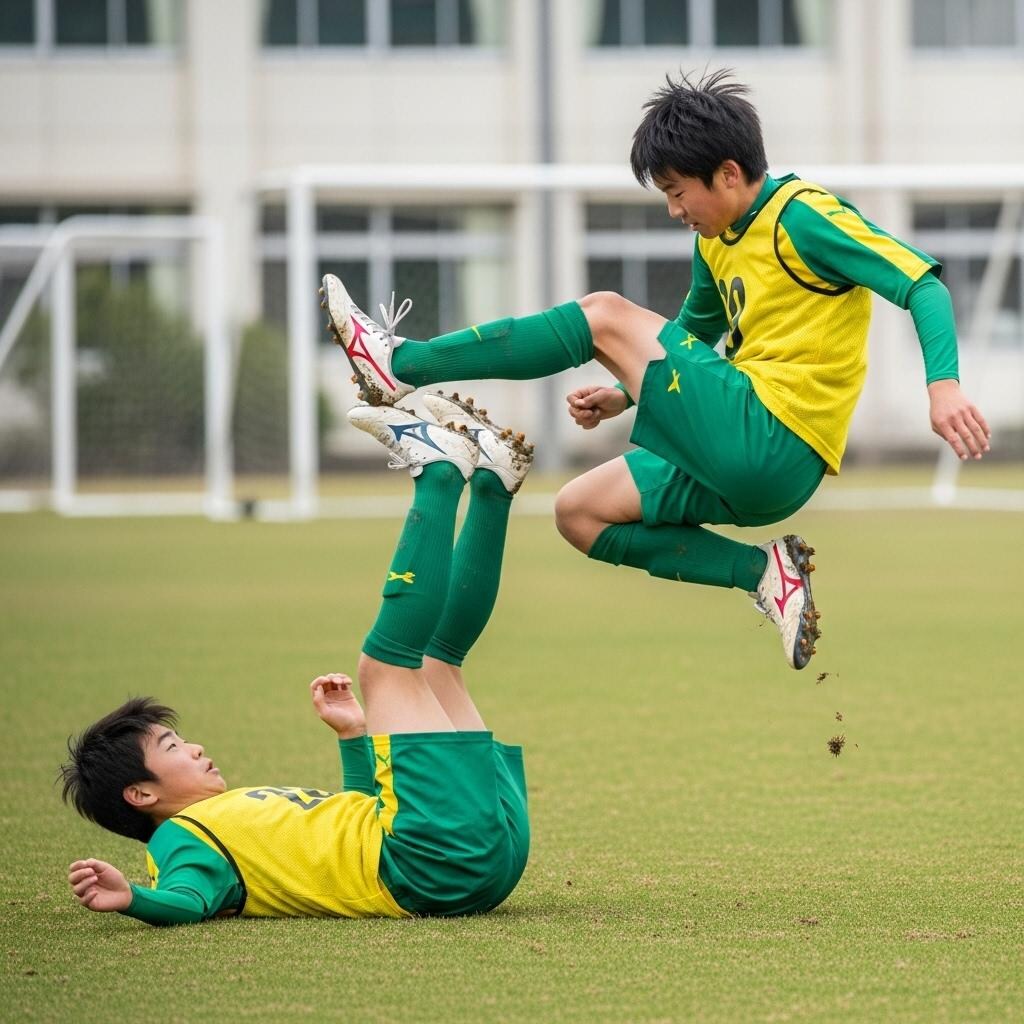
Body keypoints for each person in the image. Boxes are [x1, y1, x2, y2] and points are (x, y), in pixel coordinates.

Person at [318, 69, 990, 671]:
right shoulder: (717, 240)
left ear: (728, 173)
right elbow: (694, 329)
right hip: (750, 467)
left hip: (771, 434)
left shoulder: (803, 216)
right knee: (579, 513)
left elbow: (921, 283)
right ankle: (763, 572)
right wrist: (620, 394)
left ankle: (401, 365)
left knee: (605, 314)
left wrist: (943, 385)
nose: (673, 210)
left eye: (677, 191)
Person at [62, 395, 534, 924]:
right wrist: (132, 897)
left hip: (470, 858)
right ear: (140, 793)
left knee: (436, 661)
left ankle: (493, 484)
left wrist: (353, 737)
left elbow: (359, 817)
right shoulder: (178, 843)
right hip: (426, 865)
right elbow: (188, 901)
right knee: (386, 663)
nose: (194, 747)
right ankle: (438, 471)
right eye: (171, 746)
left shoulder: (225, 813)